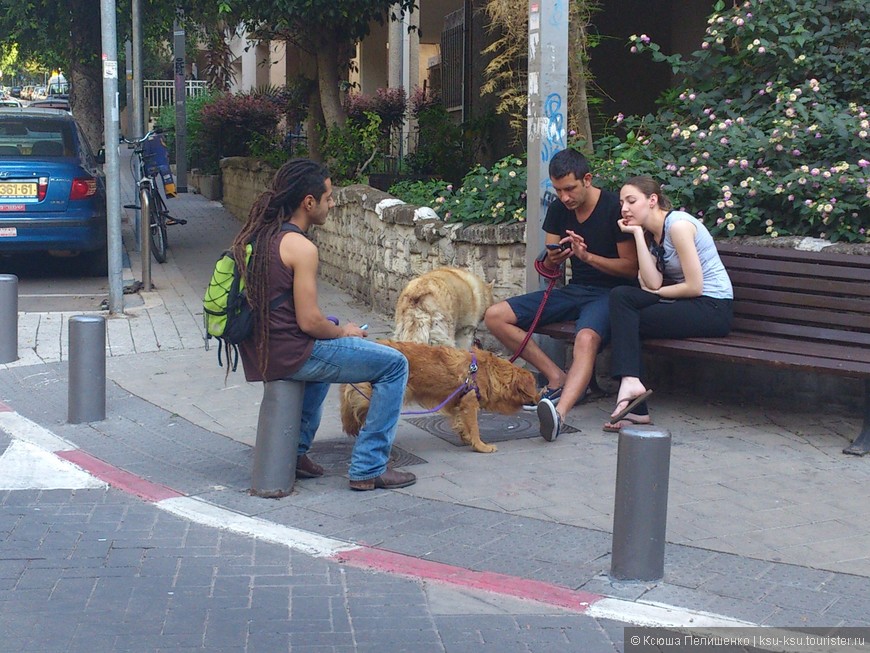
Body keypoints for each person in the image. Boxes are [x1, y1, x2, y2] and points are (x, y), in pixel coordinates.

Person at [235, 158, 415, 491]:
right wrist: (343, 331)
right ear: (309, 202)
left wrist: (330, 326)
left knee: (329, 334)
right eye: (328, 197)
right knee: (394, 365)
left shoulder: (261, 235)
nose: (332, 204)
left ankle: (296, 452)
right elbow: (309, 321)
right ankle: (369, 466)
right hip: (290, 353)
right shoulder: (302, 247)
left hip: (263, 349)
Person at [484, 148, 640, 442]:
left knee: (585, 337)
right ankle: (557, 377)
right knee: (495, 316)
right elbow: (546, 261)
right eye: (558, 190)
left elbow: (630, 269)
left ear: (587, 179)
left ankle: (561, 412)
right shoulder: (559, 209)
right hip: (575, 291)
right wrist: (553, 260)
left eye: (570, 189)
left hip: (612, 293)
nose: (565, 197)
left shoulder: (612, 208)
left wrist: (587, 256)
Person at [606, 176, 734, 430]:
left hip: (713, 307)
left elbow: (694, 286)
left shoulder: (679, 226)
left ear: (652, 200)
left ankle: (634, 398)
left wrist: (658, 294)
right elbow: (651, 283)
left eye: (632, 201)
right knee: (621, 296)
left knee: (628, 321)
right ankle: (632, 387)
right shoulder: (652, 235)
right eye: (622, 203)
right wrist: (636, 236)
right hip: (688, 302)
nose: (624, 209)